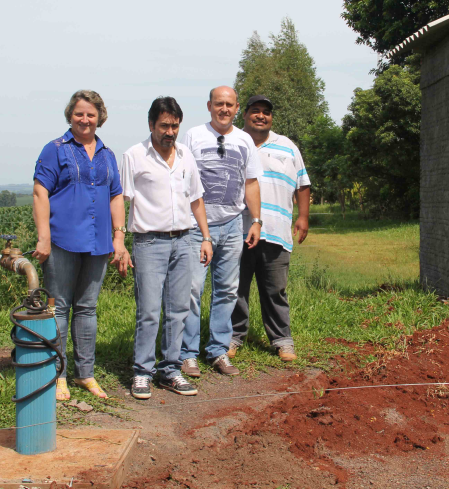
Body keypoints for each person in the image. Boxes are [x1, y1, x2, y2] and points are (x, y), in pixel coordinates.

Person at [32, 90, 131, 401]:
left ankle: (85, 374)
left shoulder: (107, 154)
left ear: (99, 117)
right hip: (62, 239)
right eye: (79, 114)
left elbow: (116, 196)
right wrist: (43, 237)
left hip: (98, 241)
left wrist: (119, 237)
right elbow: (40, 192)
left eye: (91, 114)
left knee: (87, 308)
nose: (85, 119)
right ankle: (57, 374)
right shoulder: (55, 149)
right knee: (58, 307)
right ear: (70, 116)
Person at [120, 97, 214, 400]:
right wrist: (118, 241)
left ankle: (171, 370)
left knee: (178, 309)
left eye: (174, 126)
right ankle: (142, 372)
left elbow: (196, 199)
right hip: (149, 242)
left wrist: (206, 237)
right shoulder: (134, 156)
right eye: (164, 125)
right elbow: (120, 200)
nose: (170, 132)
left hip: (184, 240)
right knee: (148, 310)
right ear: (151, 125)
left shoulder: (186, 156)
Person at [179, 86, 263, 377]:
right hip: (195, 228)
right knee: (191, 290)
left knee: (227, 291)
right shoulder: (192, 136)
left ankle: (218, 350)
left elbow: (250, 183)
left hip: (232, 226)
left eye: (229, 104)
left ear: (237, 108)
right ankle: (187, 354)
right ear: (209, 106)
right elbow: (184, 180)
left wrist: (256, 220)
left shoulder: (245, 140)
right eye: (219, 104)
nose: (224, 109)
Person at [229, 95, 310, 362]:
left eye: (266, 112)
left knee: (275, 289)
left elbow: (303, 184)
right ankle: (233, 337)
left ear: (271, 118)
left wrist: (303, 217)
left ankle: (282, 340)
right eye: (255, 111)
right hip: (237, 230)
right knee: (236, 288)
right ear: (245, 115)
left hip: (276, 230)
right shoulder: (233, 142)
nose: (261, 116)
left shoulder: (287, 147)